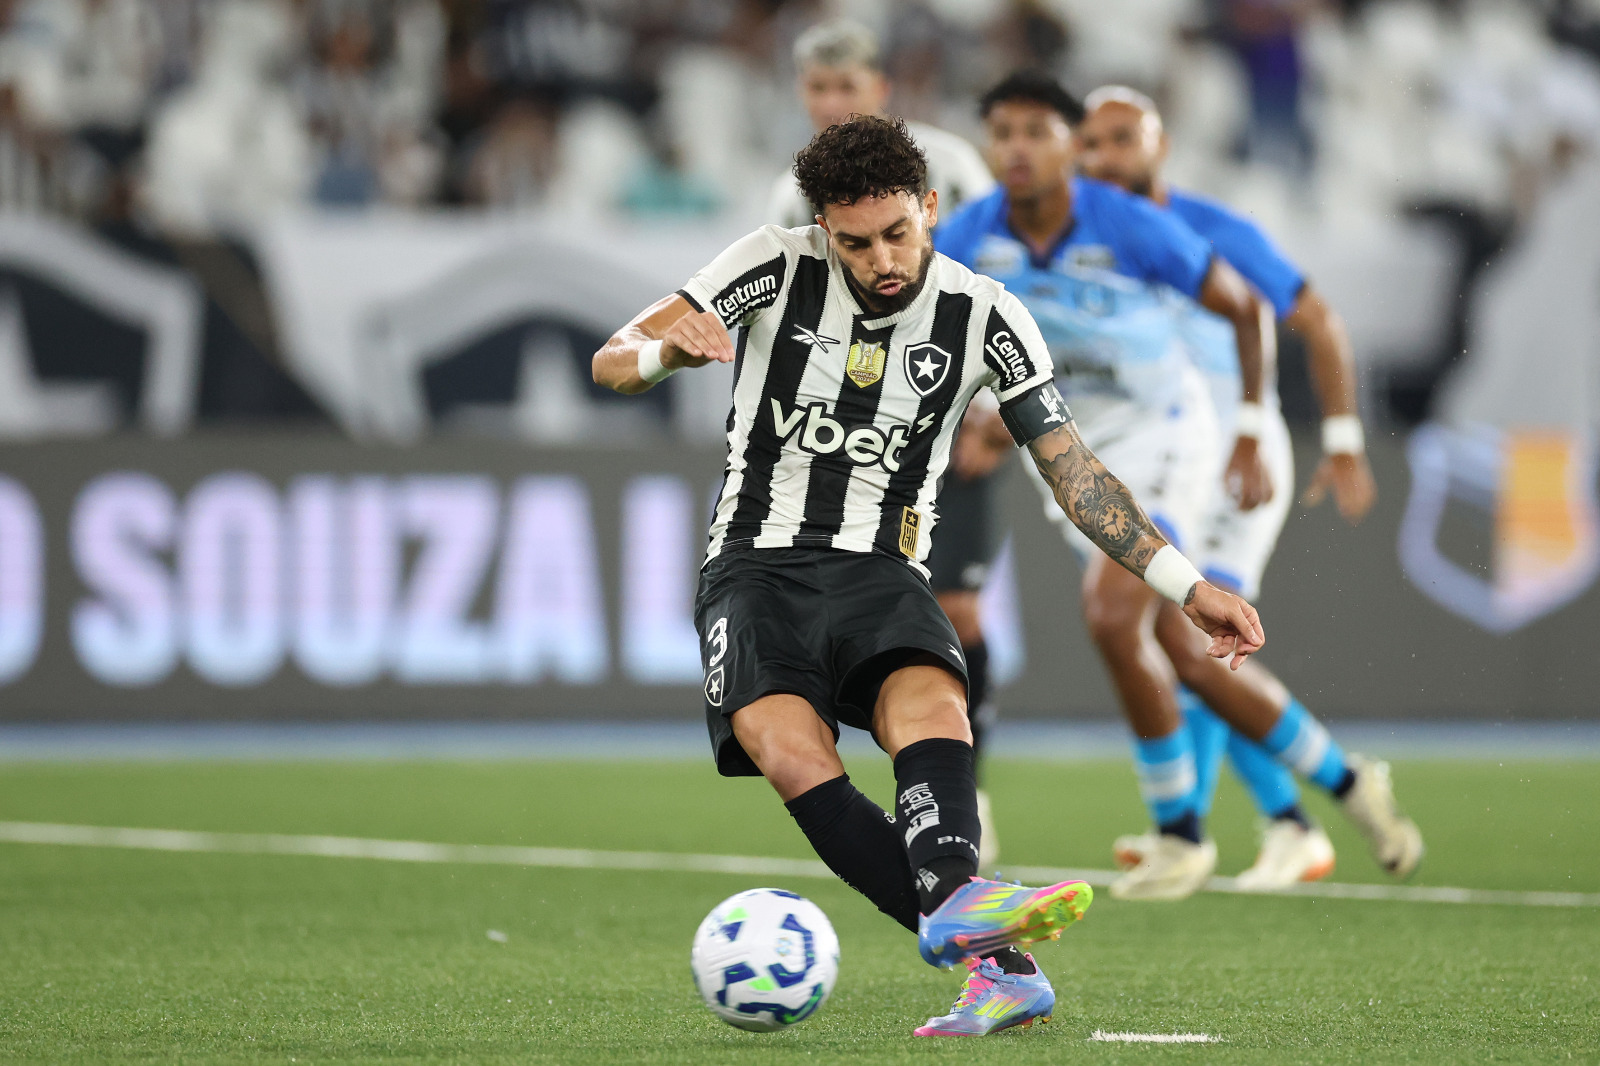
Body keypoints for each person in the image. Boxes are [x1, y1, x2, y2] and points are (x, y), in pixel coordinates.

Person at [593, 115, 1264, 1035]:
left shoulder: (987, 314)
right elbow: (612, 358)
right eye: (856, 241)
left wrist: (1190, 588)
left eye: (898, 233)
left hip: (881, 566)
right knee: (790, 755)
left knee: (932, 707)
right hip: (753, 566)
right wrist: (671, 350)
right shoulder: (769, 262)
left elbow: (1077, 475)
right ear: (824, 228)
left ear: (932, 209)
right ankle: (1002, 963)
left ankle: (968, 916)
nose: (881, 259)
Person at [937, 72, 1419, 901]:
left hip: (1175, 432)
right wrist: (977, 417)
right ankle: (1336, 787)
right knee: (1191, 652)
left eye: (1042, 132)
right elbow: (961, 340)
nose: (1021, 149)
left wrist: (1258, 428)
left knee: (1115, 612)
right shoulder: (973, 233)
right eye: (1003, 133)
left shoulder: (1144, 224)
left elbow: (1253, 308)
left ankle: (1187, 831)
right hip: (1076, 451)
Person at [1075, 85, 1408, 891]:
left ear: (1160, 147)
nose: (1105, 157)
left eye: (1125, 139)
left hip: (1237, 457)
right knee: (1185, 649)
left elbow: (1315, 318)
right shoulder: (1082, 239)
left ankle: (1197, 824)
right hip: (1165, 459)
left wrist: (1339, 437)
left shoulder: (1213, 229)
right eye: (1092, 143)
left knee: (1200, 644)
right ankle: (1309, 806)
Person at [771, 19, 1009, 866]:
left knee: (963, 607)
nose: (833, 103)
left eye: (847, 88)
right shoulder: (786, 199)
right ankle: (930, 785)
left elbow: (999, 284)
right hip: (847, 447)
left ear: (878, 89)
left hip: (949, 422)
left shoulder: (944, 167)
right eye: (818, 90)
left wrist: (993, 416)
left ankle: (962, 775)